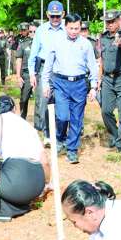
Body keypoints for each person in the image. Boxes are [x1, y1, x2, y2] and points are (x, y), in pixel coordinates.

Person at [41, 13, 98, 164]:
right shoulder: (56, 42)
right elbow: (48, 65)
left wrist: (93, 87)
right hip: (61, 83)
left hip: (79, 84)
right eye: (71, 28)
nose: (74, 31)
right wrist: (45, 84)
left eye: (77, 28)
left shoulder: (86, 44)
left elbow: (93, 66)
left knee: (76, 119)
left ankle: (72, 150)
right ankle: (60, 138)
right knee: (62, 116)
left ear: (80, 28)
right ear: (65, 27)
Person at [29, 1, 66, 137]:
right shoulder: (41, 30)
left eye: (58, 16)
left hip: (62, 70)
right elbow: (33, 53)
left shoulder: (67, 29)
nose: (55, 19)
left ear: (63, 14)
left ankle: (59, 133)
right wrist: (32, 74)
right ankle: (46, 133)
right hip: (45, 69)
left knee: (61, 102)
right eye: (52, 16)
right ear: (47, 15)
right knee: (44, 101)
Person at [98, 9, 121, 153]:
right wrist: (99, 78)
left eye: (113, 21)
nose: (110, 24)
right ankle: (115, 134)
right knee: (105, 110)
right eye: (108, 22)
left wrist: (120, 42)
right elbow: (102, 59)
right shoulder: (103, 37)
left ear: (119, 21)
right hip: (107, 79)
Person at [15, 22, 36, 119]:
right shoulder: (23, 44)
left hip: (39, 73)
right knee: (24, 99)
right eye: (30, 31)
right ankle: (22, 118)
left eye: (34, 32)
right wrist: (18, 76)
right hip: (26, 74)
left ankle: (41, 123)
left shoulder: (43, 43)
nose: (32, 33)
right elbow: (18, 60)